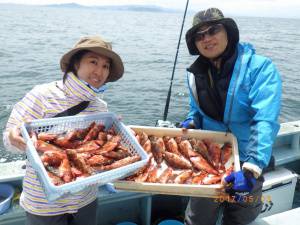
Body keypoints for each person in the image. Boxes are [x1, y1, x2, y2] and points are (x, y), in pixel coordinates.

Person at [3, 35, 124, 225]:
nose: (99, 71)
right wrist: (13, 137)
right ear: (75, 64)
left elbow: (99, 150)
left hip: (85, 200)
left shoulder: (100, 107)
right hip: (44, 203)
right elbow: (9, 139)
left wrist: (116, 133)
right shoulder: (42, 95)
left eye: (105, 66)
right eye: (93, 62)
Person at [181, 8, 281, 225]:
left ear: (228, 32)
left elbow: (265, 119)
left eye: (213, 30)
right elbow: (195, 109)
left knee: (240, 218)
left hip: (247, 162)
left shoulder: (260, 68)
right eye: (200, 35)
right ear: (195, 43)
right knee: (198, 218)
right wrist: (192, 120)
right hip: (209, 157)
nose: (207, 38)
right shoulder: (193, 75)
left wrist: (253, 166)